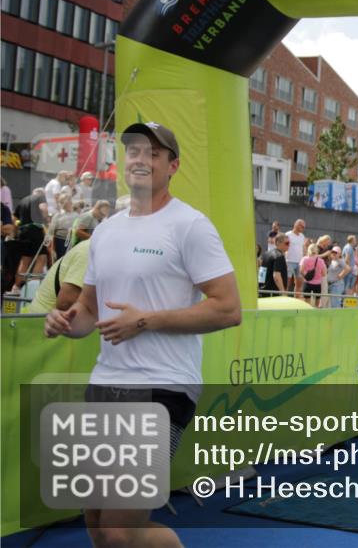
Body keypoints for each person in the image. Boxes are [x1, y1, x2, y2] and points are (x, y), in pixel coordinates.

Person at [43, 121, 241, 548]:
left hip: (162, 387)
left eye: (153, 153)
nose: (140, 159)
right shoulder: (107, 230)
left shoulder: (190, 225)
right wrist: (64, 322)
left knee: (120, 529)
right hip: (105, 384)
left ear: (173, 166)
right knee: (98, 525)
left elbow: (228, 309)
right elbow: (88, 311)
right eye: (133, 150)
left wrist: (146, 320)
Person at [26, 239, 91, 313]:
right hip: (44, 317)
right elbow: (66, 303)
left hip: (49, 314)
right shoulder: (88, 251)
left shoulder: (90, 248)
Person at [12, 187, 50, 293]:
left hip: (23, 232)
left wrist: (15, 233)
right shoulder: (40, 198)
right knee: (41, 258)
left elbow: (14, 218)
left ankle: (16, 287)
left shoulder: (23, 200)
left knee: (25, 260)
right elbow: (44, 210)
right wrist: (46, 220)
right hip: (35, 231)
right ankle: (32, 287)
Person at [285, 219, 307, 299]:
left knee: (299, 283)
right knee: (287, 282)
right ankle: (284, 299)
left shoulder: (302, 236)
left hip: (299, 263)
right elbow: (284, 247)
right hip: (289, 261)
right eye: (302, 226)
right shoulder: (288, 235)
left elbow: (303, 248)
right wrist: (285, 260)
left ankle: (296, 300)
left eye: (304, 227)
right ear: (296, 225)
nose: (303, 228)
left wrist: (305, 260)